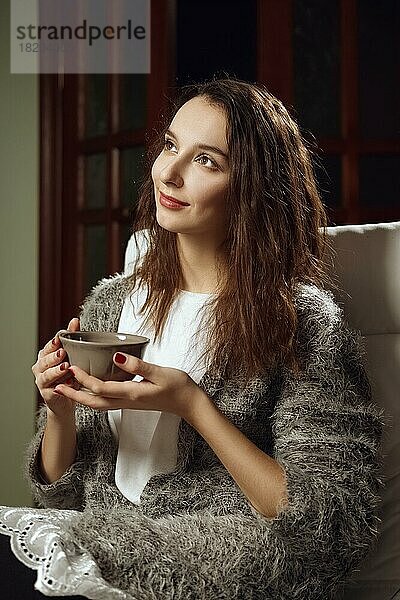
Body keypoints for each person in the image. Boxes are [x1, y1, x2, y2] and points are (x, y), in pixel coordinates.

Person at [0, 77, 383, 599]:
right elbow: (61, 497)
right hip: (100, 536)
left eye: (207, 161)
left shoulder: (306, 324)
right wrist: (61, 411)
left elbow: (323, 522)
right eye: (171, 146)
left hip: (224, 554)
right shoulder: (112, 304)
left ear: (254, 188)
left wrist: (192, 404)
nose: (169, 173)